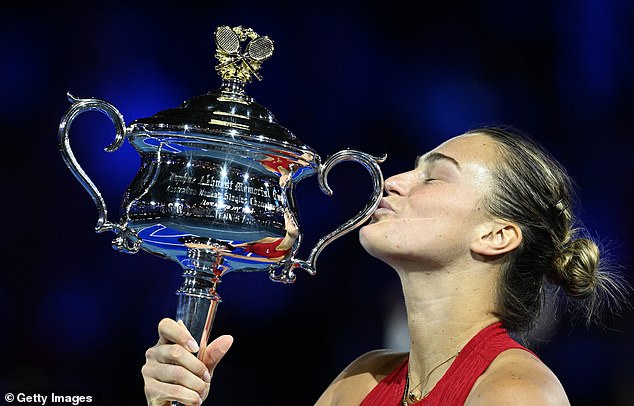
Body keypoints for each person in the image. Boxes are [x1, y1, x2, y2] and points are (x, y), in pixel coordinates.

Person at [141, 125, 628, 405]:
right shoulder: (357, 383)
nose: (392, 181)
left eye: (433, 176)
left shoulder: (517, 394)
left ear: (496, 235)